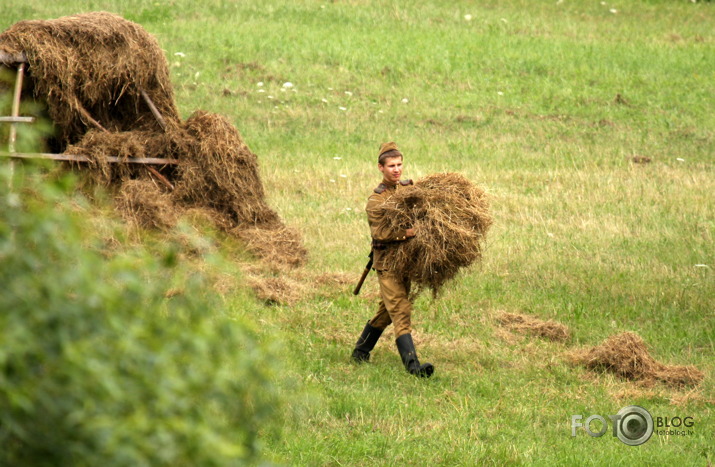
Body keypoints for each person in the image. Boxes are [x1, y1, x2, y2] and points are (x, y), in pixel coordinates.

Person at [351, 142, 434, 378]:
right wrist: (405, 234)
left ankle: (360, 351)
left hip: (405, 262)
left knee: (386, 312)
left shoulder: (408, 189)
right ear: (380, 167)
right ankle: (413, 366)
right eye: (391, 166)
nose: (396, 170)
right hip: (387, 263)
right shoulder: (376, 200)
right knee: (400, 310)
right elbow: (379, 233)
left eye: (399, 165)